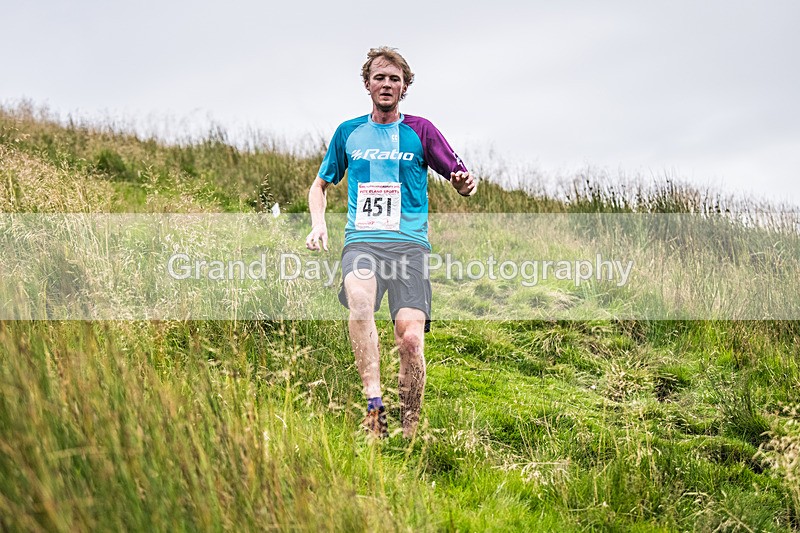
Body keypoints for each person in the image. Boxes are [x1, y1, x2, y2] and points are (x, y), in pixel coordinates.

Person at [306, 46, 477, 439]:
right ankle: (374, 409)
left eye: (395, 79)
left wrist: (465, 184)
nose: (387, 84)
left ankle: (411, 428)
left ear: (405, 87)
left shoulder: (421, 131)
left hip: (409, 247)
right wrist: (319, 224)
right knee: (361, 303)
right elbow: (320, 185)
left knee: (410, 339)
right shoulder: (348, 132)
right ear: (367, 84)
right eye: (380, 77)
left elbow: (463, 178)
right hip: (362, 242)